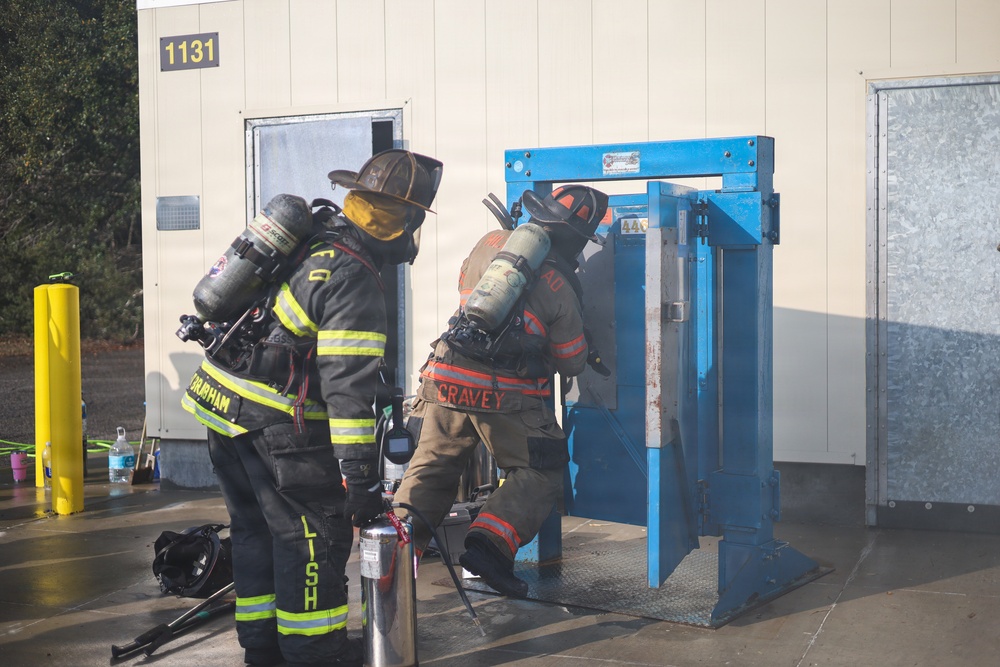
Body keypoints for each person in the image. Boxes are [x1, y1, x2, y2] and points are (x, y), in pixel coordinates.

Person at [181, 149, 443, 667]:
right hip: (275, 427)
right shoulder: (356, 277)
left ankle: (261, 645)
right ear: (407, 219)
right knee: (311, 541)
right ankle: (312, 651)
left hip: (219, 406)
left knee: (255, 529)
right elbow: (347, 393)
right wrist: (362, 482)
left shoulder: (314, 240)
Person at [393, 184, 609, 598]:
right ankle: (488, 548)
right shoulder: (561, 283)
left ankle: (394, 553)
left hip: (443, 377)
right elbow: (571, 362)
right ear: (578, 237)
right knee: (540, 472)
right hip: (503, 392)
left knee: (434, 467)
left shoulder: (487, 243)